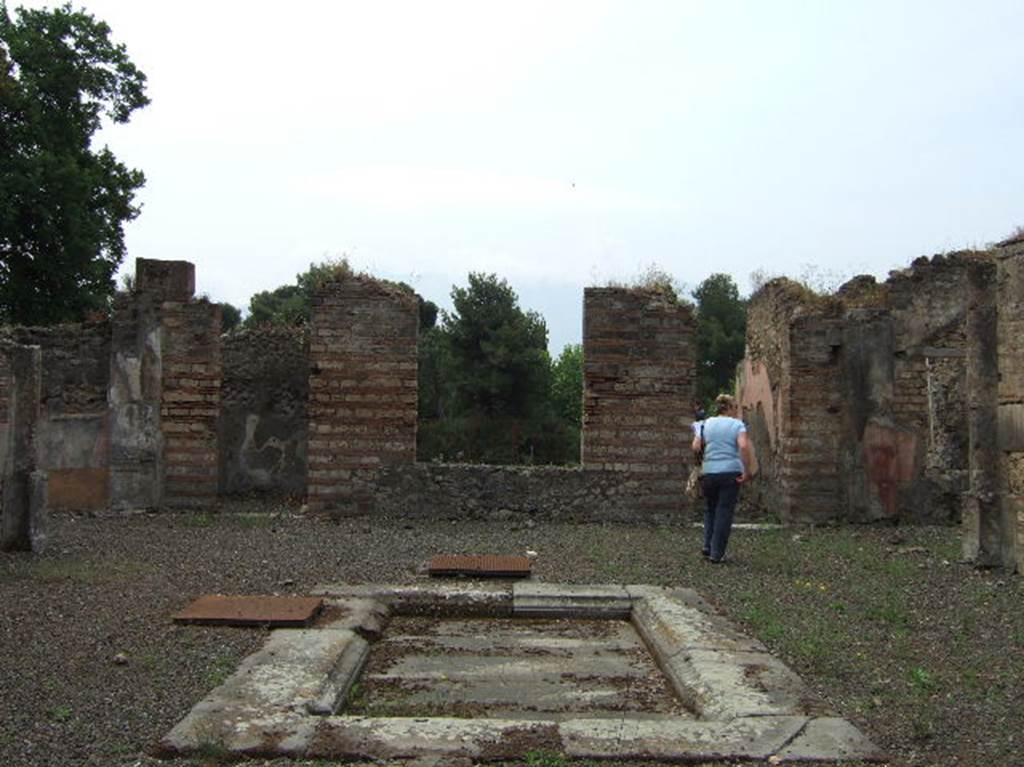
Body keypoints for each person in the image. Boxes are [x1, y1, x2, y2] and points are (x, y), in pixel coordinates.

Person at [692, 393, 755, 564]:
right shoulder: (737, 425)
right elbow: (742, 446)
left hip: (709, 472)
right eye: (735, 407)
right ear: (729, 407)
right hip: (730, 472)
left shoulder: (705, 424)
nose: (736, 411)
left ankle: (707, 546)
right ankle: (717, 553)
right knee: (724, 511)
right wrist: (747, 470)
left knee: (710, 509)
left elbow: (696, 446)